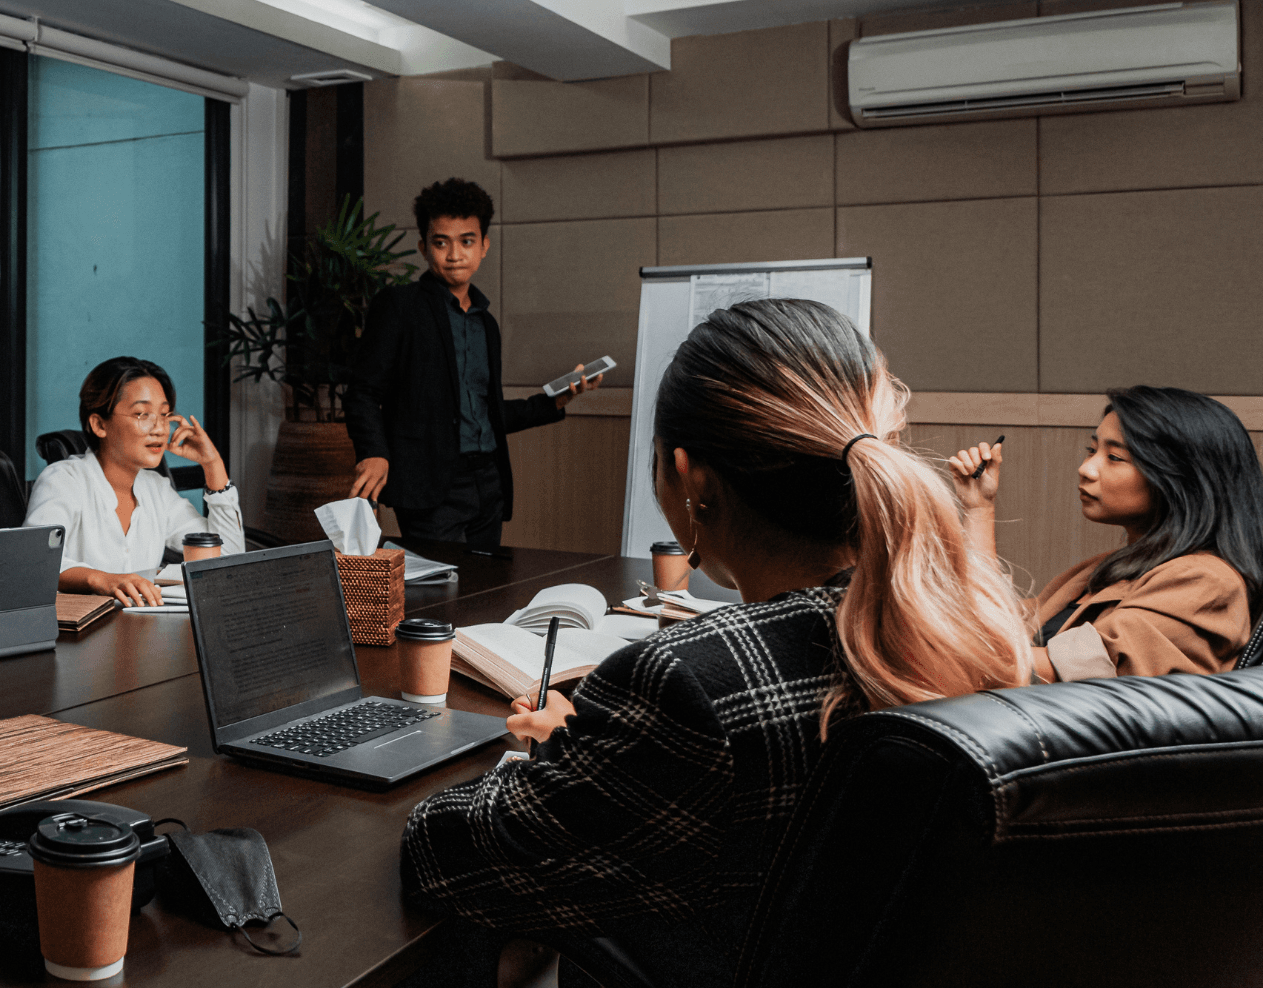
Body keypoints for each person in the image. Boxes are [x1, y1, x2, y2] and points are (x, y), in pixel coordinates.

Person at [401, 298, 1030, 987]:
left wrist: (561, 755)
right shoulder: (975, 632)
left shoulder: (688, 684)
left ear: (693, 482)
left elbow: (444, 854)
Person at [345, 177, 600, 554]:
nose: (454, 254)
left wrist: (555, 401)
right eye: (440, 242)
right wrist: (374, 452)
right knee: (441, 596)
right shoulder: (400, 307)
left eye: (466, 241)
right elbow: (362, 391)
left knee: (484, 591)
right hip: (430, 485)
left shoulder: (486, 324)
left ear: (483, 247)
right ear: (423, 247)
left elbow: (486, 411)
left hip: (488, 482)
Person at [950, 386, 1262, 680]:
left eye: (1114, 457)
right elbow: (989, 627)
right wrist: (979, 508)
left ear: (1179, 480)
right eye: (1092, 450)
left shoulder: (1206, 581)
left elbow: (1071, 670)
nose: (1086, 469)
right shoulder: (1106, 570)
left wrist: (945, 654)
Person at [25, 356, 242, 606]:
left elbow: (227, 558)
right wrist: (103, 579)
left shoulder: (157, 489)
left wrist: (213, 464)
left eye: (163, 414)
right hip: (77, 635)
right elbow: (36, 562)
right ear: (98, 424)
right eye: (142, 414)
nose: (160, 429)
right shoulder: (63, 481)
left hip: (142, 631)